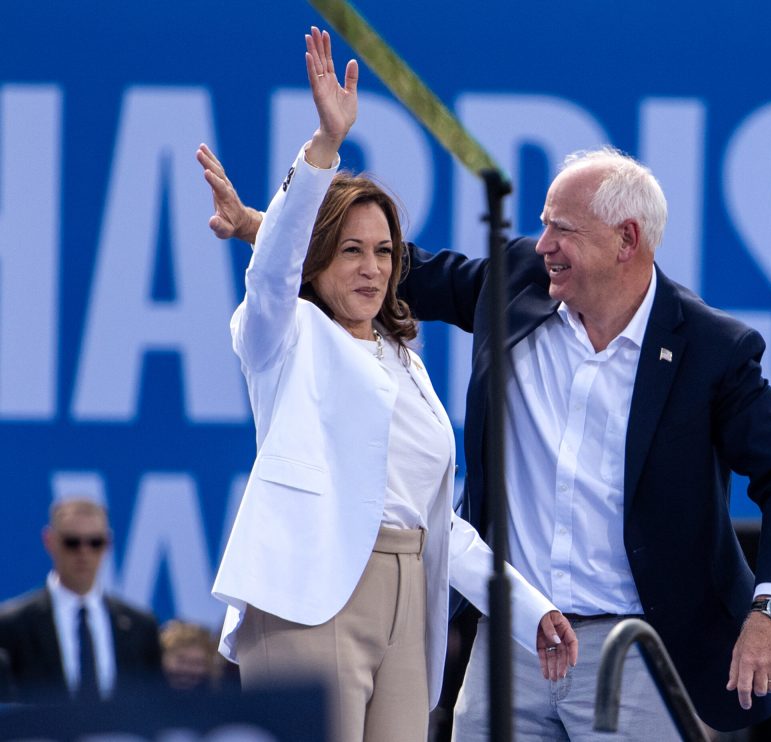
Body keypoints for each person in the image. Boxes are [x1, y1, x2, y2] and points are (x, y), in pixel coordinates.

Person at [203, 79, 771, 739]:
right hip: (512, 652)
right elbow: (371, 262)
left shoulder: (710, 350)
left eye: (562, 228)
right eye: (543, 223)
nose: (543, 242)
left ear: (626, 240)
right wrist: (263, 227)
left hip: (637, 650)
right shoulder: (520, 280)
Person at [202, 27, 577, 742]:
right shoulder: (282, 335)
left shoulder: (404, 359)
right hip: (311, 598)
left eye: (382, 252)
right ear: (316, 263)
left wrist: (529, 609)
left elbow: (436, 519)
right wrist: (323, 148)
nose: (372, 268)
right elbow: (273, 269)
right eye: (350, 251)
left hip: (411, 601)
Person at [0, 498, 162, 704]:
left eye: (95, 542)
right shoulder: (11, 625)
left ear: (108, 544)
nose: (83, 552)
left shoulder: (140, 626)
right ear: (50, 541)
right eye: (72, 542)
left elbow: (152, 706)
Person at [160, 620, 221, 693]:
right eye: (181, 661)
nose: (187, 669)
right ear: (164, 659)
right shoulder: (145, 696)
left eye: (198, 663)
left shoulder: (219, 699)